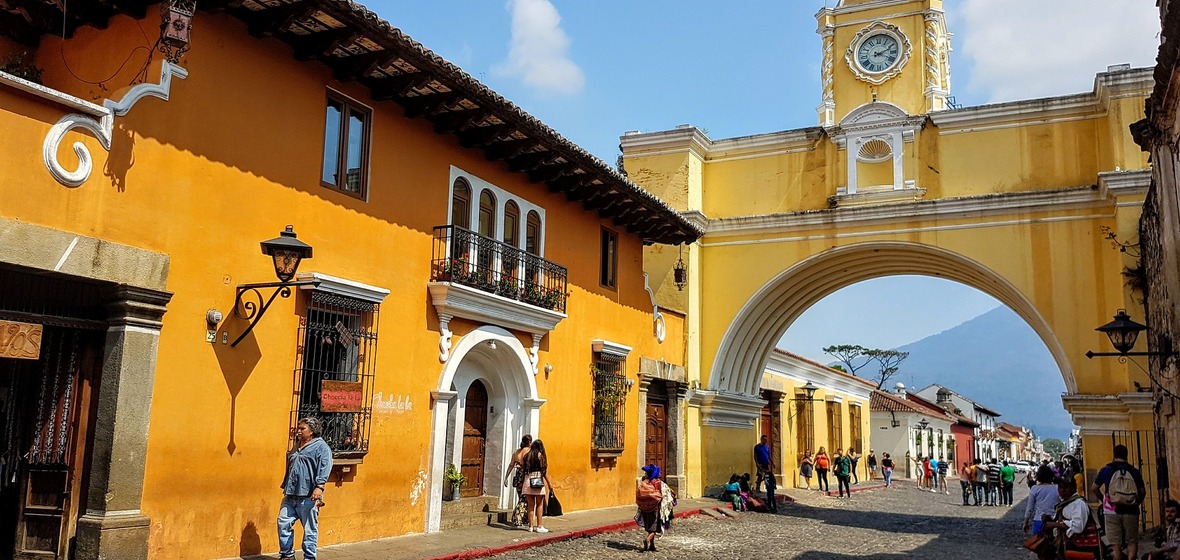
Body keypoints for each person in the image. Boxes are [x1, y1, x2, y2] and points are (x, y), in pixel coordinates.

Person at [278, 417, 333, 560]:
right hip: (291, 494)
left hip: (309, 495)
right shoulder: (297, 445)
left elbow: (325, 467)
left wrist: (319, 487)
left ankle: (309, 557)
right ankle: (287, 554)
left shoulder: (321, 447)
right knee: (283, 522)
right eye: (299, 428)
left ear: (312, 431)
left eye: (303, 429)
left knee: (309, 530)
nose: (299, 431)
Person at [1092, 444, 1147, 560]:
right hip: (1131, 510)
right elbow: (1142, 492)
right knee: (1132, 541)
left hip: (1111, 510)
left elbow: (1094, 488)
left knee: (1115, 544)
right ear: (1126, 455)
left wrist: (1103, 499)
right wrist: (1136, 502)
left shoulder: (1106, 470)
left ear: (1114, 454)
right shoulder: (1134, 471)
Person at [1041, 476, 1103, 560]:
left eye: (1066, 487)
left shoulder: (1078, 504)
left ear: (1074, 488)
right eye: (1060, 487)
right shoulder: (1065, 502)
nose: (1062, 490)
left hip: (1077, 547)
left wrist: (1055, 524)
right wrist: (1051, 518)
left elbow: (1078, 527)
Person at [636, 464, 675, 552]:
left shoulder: (644, 482)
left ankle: (652, 546)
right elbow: (668, 492)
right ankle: (647, 540)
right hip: (655, 509)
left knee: (649, 526)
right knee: (655, 528)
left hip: (645, 509)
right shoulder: (659, 483)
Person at [522, 439, 553, 533]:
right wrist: (549, 483)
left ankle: (530, 526)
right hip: (538, 480)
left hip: (528, 480)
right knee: (539, 504)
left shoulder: (527, 456)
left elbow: (523, 468)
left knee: (530, 505)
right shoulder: (540, 456)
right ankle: (539, 526)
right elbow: (543, 471)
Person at [503, 434, 533, 527]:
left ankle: (524, 519)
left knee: (521, 497)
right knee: (524, 499)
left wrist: (506, 476)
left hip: (518, 477)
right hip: (525, 477)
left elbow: (511, 465)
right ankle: (516, 517)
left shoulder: (516, 452)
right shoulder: (529, 451)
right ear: (529, 442)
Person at [1023, 465, 1061, 536]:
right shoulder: (1057, 488)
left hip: (1039, 521)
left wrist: (1026, 522)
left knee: (1038, 544)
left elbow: (1029, 508)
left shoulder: (1035, 489)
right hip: (1054, 522)